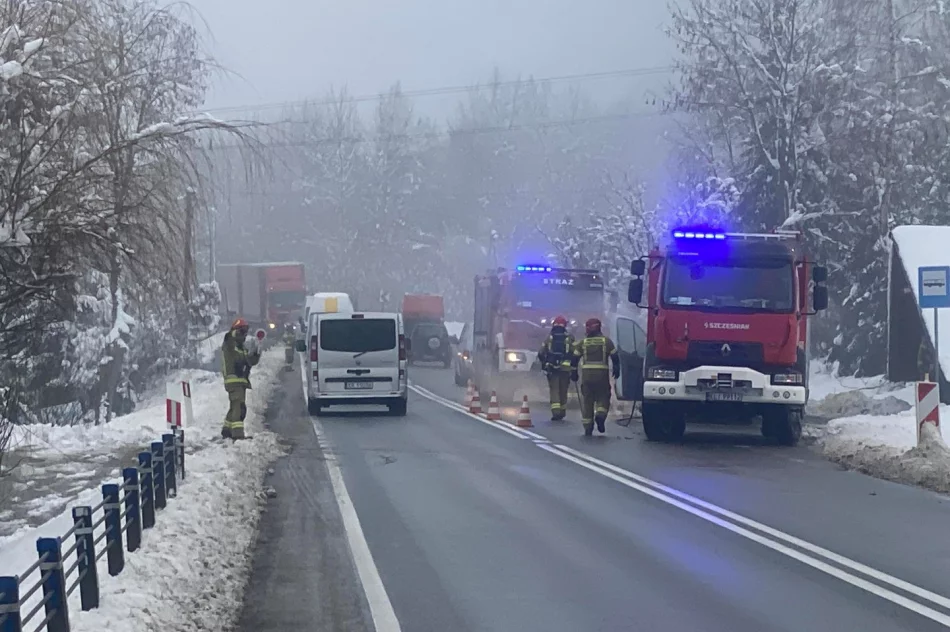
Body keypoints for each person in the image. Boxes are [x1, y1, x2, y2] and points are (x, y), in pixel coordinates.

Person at [571, 317, 620, 436]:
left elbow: (574, 359)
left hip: (587, 377)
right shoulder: (606, 342)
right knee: (603, 397)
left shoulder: (583, 343)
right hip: (602, 377)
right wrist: (617, 369)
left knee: (587, 401)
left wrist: (573, 373)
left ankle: (588, 427)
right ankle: (600, 415)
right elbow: (615, 357)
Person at [220, 318, 261, 439]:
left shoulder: (240, 345)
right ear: (236, 331)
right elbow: (239, 359)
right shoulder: (230, 342)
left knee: (234, 406)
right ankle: (238, 435)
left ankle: (226, 430)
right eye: (242, 331)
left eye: (245, 332)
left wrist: (256, 353)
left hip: (240, 381)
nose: (245, 335)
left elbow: (249, 362)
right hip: (234, 380)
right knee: (239, 407)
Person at [538, 315, 575, 420]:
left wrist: (544, 364)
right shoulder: (570, 337)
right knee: (563, 390)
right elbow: (575, 352)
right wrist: (574, 367)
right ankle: (562, 412)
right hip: (566, 369)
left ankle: (555, 412)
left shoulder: (549, 337)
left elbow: (541, 352)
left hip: (552, 368)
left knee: (554, 390)